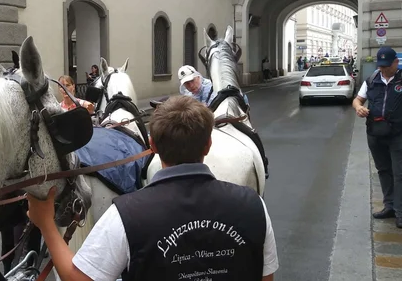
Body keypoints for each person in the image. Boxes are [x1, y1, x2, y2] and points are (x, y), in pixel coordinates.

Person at [27, 95, 279, 281]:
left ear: (152, 145)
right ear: (208, 145)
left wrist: (47, 225)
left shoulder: (125, 215)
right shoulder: (254, 206)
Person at [353, 46, 402, 228]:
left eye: (386, 66)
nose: (382, 69)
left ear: (396, 63)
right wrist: (359, 107)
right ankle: (389, 206)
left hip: (398, 134)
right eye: (380, 65)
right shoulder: (372, 79)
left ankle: (400, 212)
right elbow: (358, 99)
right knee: (383, 171)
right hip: (375, 133)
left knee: (399, 174)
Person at [178, 65, 249, 107]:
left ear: (198, 77)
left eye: (192, 80)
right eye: (186, 83)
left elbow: (207, 108)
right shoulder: (187, 93)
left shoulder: (210, 87)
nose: (190, 85)